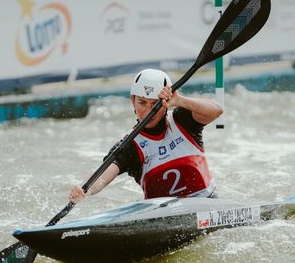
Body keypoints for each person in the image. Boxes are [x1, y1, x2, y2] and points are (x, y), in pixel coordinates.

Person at [69, 69, 223, 203]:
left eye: (154, 104)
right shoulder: (130, 145)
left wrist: (180, 100)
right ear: (133, 102)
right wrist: (85, 189)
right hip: (162, 214)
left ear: (166, 102)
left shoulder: (182, 121)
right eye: (142, 103)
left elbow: (216, 110)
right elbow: (102, 176)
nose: (149, 111)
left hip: (206, 201)